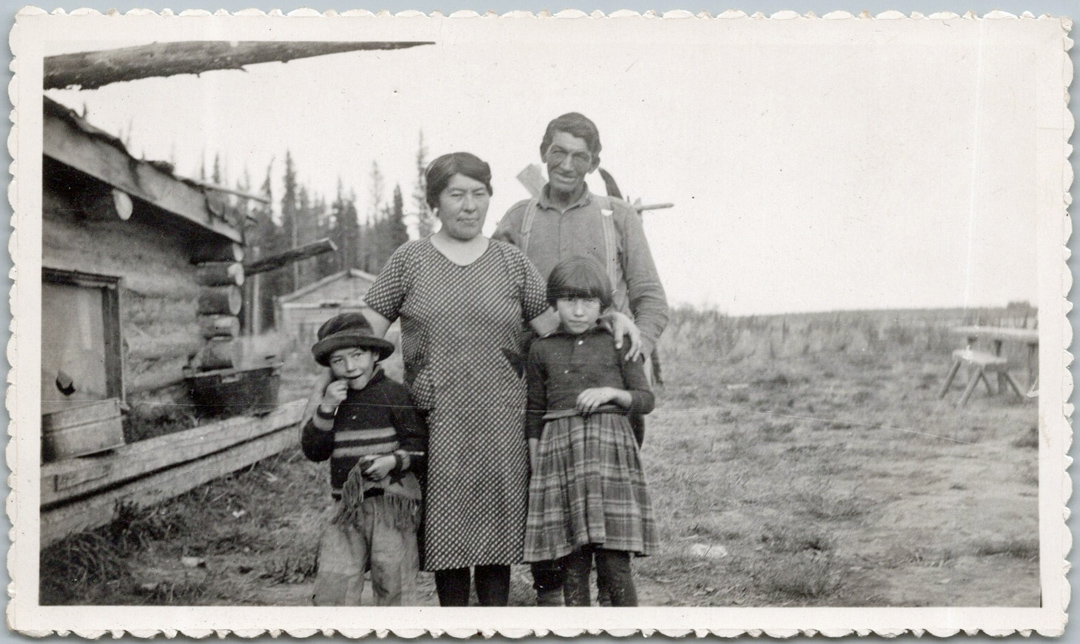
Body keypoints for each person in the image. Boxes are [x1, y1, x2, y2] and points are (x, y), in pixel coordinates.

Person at [358, 152, 553, 606]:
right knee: (447, 539)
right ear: (435, 202)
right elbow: (362, 333)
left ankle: (492, 627)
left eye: (479, 194)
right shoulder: (409, 260)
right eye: (456, 194)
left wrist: (611, 325)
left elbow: (554, 334)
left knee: (497, 538)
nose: (469, 206)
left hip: (502, 423)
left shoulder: (512, 262)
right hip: (436, 422)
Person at [493, 112, 669, 605]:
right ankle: (556, 611)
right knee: (547, 503)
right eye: (558, 152)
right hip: (538, 389)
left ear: (594, 163)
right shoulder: (517, 219)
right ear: (543, 152)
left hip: (608, 398)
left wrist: (632, 345)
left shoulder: (617, 217)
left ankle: (614, 613)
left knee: (609, 517)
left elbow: (652, 299)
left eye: (580, 156)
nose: (567, 165)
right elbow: (494, 298)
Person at [523, 256, 658, 606]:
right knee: (573, 562)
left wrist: (611, 394)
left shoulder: (618, 341)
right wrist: (538, 468)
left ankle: (625, 628)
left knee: (615, 563)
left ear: (603, 305)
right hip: (561, 458)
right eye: (569, 300)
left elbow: (646, 399)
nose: (579, 311)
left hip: (609, 459)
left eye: (588, 301)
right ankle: (579, 629)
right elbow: (534, 412)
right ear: (554, 302)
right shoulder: (541, 348)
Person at [301, 312, 427, 606]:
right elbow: (314, 451)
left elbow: (420, 445)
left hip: (391, 507)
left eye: (357, 355)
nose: (350, 367)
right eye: (338, 360)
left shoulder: (394, 394)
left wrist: (392, 462)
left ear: (374, 355)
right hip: (346, 509)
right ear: (329, 366)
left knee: (394, 585)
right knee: (334, 587)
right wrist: (326, 408)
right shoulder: (333, 400)